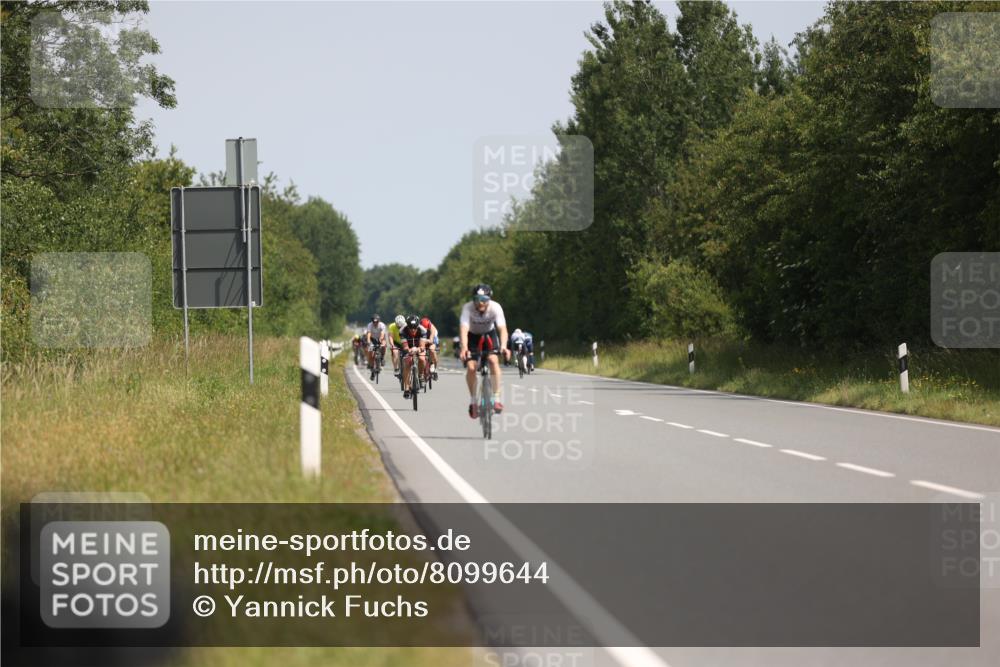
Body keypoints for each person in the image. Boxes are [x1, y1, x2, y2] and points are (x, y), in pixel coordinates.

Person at [459, 284, 510, 417]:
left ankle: (497, 398)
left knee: (493, 360)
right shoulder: (468, 308)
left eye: (484, 299)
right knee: (471, 367)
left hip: (489, 335)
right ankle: (473, 401)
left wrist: (504, 346)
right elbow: (464, 330)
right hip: (472, 337)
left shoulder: (495, 307)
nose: (481, 302)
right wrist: (464, 348)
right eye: (477, 299)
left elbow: (502, 329)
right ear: (473, 299)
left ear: (489, 299)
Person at [399, 315, 428, 399]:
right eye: (410, 328)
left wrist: (418, 349)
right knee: (407, 363)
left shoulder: (422, 330)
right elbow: (405, 347)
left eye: (414, 328)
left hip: (419, 347)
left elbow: (422, 346)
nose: (412, 330)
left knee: (422, 359)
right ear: (407, 326)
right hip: (408, 347)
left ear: (417, 326)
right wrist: (409, 351)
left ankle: (421, 376)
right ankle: (407, 389)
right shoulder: (402, 331)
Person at [364, 314, 387, 379]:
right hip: (372, 339)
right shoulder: (369, 325)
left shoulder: (382, 325)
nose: (375, 323)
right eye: (374, 322)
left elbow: (382, 334)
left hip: (381, 338)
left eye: (377, 322)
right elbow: (368, 334)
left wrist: (380, 340)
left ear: (379, 321)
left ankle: (382, 358)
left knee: (384, 345)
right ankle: (371, 366)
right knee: (370, 351)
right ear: (372, 321)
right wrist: (368, 341)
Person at [420, 316, 440, 381]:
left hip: (431, 339)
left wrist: (424, 341)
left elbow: (431, 340)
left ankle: (433, 366)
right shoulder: (419, 328)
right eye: (423, 328)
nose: (425, 330)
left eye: (426, 328)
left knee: (432, 350)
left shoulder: (432, 328)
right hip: (424, 339)